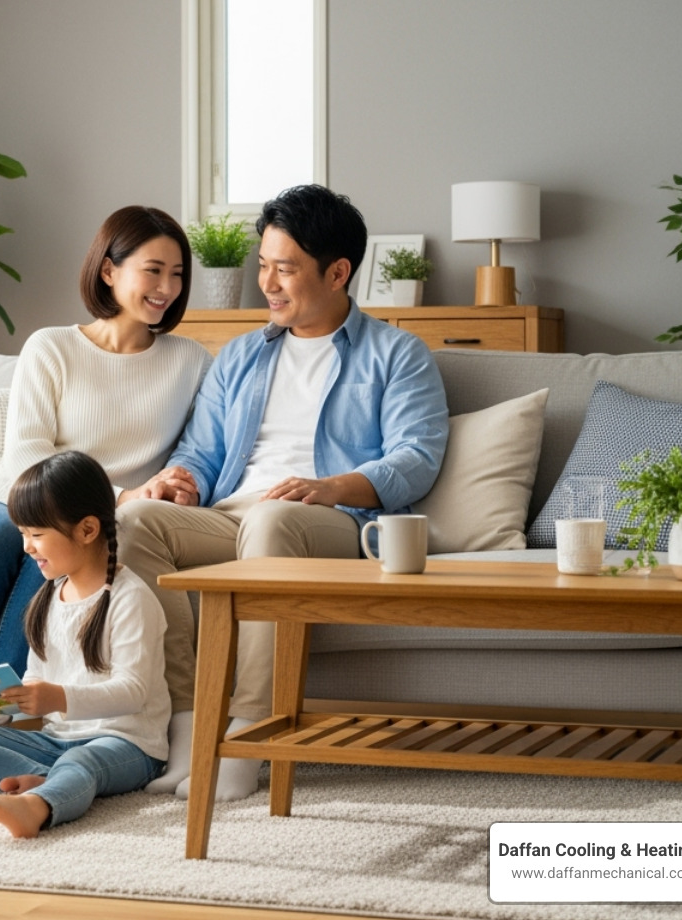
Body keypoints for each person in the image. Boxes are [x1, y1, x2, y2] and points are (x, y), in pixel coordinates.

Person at [117, 184, 449, 801]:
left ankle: (247, 737)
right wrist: (179, 481)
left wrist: (329, 487)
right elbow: (200, 450)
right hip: (232, 519)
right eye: (263, 265)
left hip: (332, 521)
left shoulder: (398, 354)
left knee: (272, 519)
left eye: (286, 269)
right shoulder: (240, 355)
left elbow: (416, 458)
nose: (267, 284)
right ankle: (185, 727)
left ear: (337, 272)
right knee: (136, 522)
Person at [0, 206, 210, 689]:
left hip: (86, 525)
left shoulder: (192, 362)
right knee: (2, 535)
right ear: (109, 270)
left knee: (59, 542)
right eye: (154, 270)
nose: (168, 287)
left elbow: (200, 450)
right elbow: (24, 453)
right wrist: (119, 496)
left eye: (178, 274)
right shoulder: (51, 347)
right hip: (4, 501)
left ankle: (3, 710)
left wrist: (176, 485)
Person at [0, 451, 171, 837]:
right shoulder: (48, 598)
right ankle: (53, 782)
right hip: (55, 740)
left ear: (87, 530)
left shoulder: (131, 598)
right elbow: (35, 681)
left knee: (83, 762)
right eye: (23, 534)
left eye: (37, 534)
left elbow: (134, 692)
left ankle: (37, 806)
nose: (27, 547)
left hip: (124, 744)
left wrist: (57, 698)